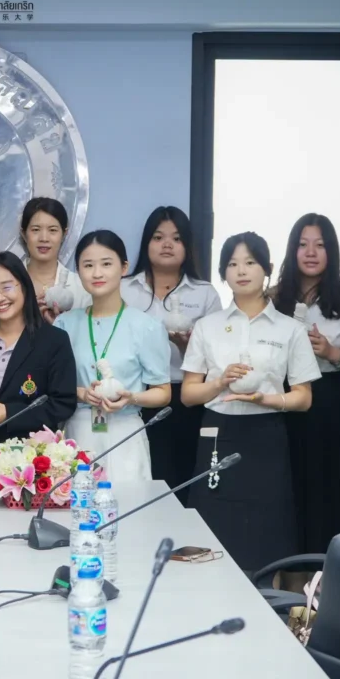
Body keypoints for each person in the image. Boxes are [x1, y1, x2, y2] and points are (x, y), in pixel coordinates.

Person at [181, 232, 320, 573]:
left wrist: (265, 399)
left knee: (266, 533)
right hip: (218, 432)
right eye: (232, 264)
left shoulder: (289, 329)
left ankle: (268, 602)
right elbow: (187, 395)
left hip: (266, 434)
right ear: (223, 273)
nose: (241, 271)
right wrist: (220, 382)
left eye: (250, 262)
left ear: (267, 269)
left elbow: (303, 398)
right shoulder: (207, 326)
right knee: (213, 531)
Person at [271, 214, 340, 554]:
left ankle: (328, 567)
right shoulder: (272, 297)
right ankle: (288, 570)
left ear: (331, 252)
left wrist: (332, 352)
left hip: (333, 400)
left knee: (330, 488)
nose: (311, 252)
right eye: (303, 244)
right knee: (288, 483)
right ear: (292, 250)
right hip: (285, 399)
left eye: (320, 245)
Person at [55, 231, 171, 483]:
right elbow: (51, 385)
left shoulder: (146, 326)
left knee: (128, 503)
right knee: (74, 501)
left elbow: (163, 392)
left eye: (106, 264)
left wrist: (131, 398)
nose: (97, 273)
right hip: (77, 432)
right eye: (88, 265)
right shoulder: (64, 324)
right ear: (78, 271)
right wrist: (81, 393)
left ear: (124, 267)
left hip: (124, 432)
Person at [123, 207, 221, 495]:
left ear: (187, 246)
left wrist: (186, 347)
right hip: (135, 397)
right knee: (136, 479)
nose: (167, 244)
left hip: (184, 400)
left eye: (176, 239)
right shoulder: (124, 288)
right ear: (146, 243)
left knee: (181, 480)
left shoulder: (204, 293)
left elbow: (217, 357)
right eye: (158, 237)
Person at [0, 252, 77, 444]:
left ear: (24, 286)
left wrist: (9, 413)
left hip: (30, 454)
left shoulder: (54, 340)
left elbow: (62, 404)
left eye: (7, 287)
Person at [19, 197, 90, 321]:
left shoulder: (81, 287)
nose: (44, 238)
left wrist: (60, 325)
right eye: (36, 230)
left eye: (52, 230)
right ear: (24, 234)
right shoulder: (8, 283)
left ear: (64, 234)